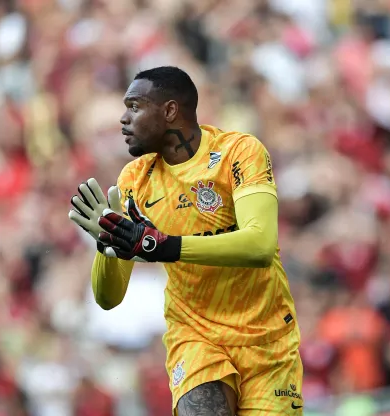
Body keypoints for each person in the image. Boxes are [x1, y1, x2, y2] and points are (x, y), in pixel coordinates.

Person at [68, 66, 303, 415]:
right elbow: (108, 299)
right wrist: (108, 243)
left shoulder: (239, 152)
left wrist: (162, 245)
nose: (123, 119)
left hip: (266, 340)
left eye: (134, 107)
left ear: (170, 111)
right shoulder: (135, 179)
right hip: (196, 335)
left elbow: (260, 246)